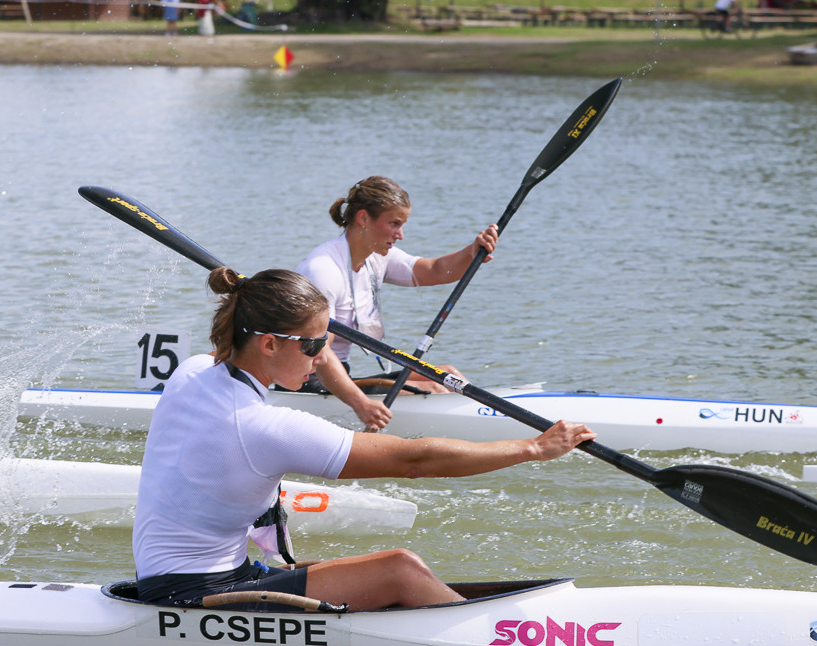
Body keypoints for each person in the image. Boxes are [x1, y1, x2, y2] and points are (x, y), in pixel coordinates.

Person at [132, 267, 594, 612]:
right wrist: (533, 448)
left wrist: (256, 297)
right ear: (268, 344)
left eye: (325, 341)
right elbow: (414, 460)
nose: (321, 358)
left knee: (345, 568)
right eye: (312, 344)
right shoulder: (264, 427)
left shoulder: (193, 371)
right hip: (197, 594)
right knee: (400, 569)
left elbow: (237, 340)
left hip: (184, 577)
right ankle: (492, 642)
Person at [294, 176, 499, 432]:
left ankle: (487, 424)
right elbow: (319, 352)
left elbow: (435, 270)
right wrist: (360, 404)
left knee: (450, 376)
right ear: (363, 218)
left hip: (338, 376)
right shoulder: (324, 271)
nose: (400, 235)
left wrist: (471, 252)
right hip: (307, 381)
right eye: (394, 224)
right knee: (434, 388)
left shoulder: (376, 257)